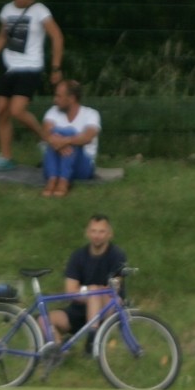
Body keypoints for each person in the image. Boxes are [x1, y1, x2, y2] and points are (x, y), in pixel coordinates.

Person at [0, 0, 64, 171]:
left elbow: (57, 36)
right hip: (10, 68)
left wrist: (56, 67)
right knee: (1, 111)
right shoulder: (7, 10)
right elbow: (2, 37)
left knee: (17, 111)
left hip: (31, 68)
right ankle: (6, 157)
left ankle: (46, 141)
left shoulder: (40, 11)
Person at [44, 214, 127, 354]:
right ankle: (58, 351)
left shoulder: (117, 255)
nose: (97, 236)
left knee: (95, 292)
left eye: (101, 231)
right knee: (43, 320)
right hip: (79, 309)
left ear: (109, 234)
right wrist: (89, 292)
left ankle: (92, 340)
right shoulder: (78, 256)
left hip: (106, 308)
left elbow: (113, 288)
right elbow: (70, 291)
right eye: (93, 231)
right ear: (87, 233)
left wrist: (89, 291)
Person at [40, 80, 101, 197]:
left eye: (58, 96)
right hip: (54, 165)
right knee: (59, 133)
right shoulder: (53, 112)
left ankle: (63, 181)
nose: (54, 100)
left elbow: (87, 137)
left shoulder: (91, 114)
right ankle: (53, 180)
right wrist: (57, 142)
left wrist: (65, 141)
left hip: (81, 167)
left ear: (71, 98)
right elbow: (46, 134)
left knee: (69, 132)